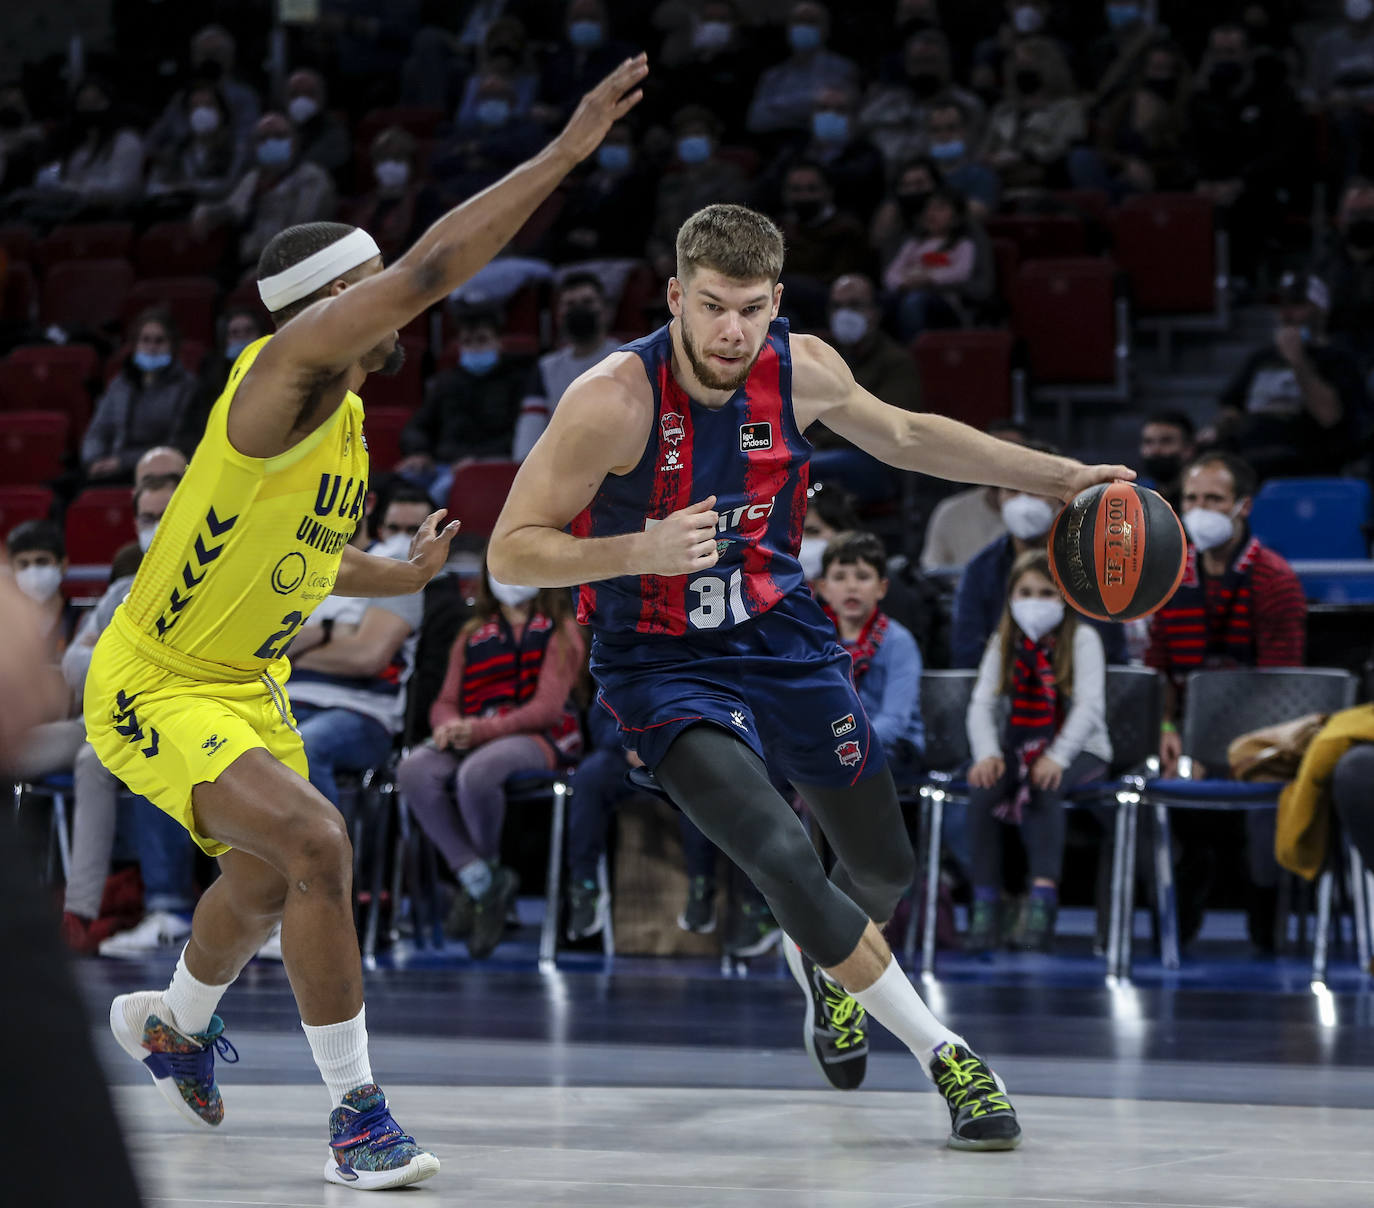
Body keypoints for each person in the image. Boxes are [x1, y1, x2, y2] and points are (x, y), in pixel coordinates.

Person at [81, 56, 647, 1189]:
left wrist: (402, 571)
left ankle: (176, 1024)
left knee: (262, 881)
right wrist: (565, 152)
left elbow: (300, 551)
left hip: (244, 683)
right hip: (154, 677)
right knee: (319, 842)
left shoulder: (341, 423)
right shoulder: (280, 374)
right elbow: (436, 266)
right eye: (372, 283)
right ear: (332, 304)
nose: (399, 295)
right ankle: (356, 1117)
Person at [489, 199, 1133, 1145]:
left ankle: (828, 969)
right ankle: (951, 1058)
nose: (732, 330)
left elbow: (908, 436)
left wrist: (1060, 477)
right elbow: (510, 550)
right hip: (660, 661)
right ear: (675, 296)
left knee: (882, 867)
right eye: (713, 306)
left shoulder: (804, 368)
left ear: (776, 300)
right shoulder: (612, 400)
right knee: (783, 855)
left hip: (781, 633)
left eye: (752, 309)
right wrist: (636, 550)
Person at [1145, 452, 1306, 948]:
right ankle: (1172, 927)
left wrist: (1226, 750)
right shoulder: (1169, 575)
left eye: (1214, 499)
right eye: (1191, 499)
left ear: (1243, 506)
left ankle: (1267, 929)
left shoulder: (1275, 579)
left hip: (1259, 743)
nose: (1200, 510)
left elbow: (1283, 689)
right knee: (1154, 791)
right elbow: (1158, 672)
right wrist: (1166, 731)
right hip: (1185, 739)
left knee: (1263, 816)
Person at [396, 553, 585, 959]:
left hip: (542, 737)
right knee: (414, 769)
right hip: (474, 732)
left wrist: (478, 730)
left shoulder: (560, 629)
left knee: (478, 773)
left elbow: (546, 709)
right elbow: (445, 701)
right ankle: (482, 881)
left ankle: (481, 889)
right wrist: (447, 725)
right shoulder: (472, 633)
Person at [964, 550, 1110, 954]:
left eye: (1046, 593)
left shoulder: (1082, 639)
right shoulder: (1003, 641)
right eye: (1025, 592)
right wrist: (986, 753)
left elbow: (1089, 708)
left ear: (1065, 598)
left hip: (1081, 748)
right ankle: (986, 903)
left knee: (1045, 785)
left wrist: (1057, 756)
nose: (1035, 602)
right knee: (983, 789)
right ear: (1010, 596)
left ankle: (1042, 903)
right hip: (1017, 745)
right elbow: (981, 704)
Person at [284, 486, 432, 811]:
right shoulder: (290, 565)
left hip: (360, 713)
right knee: (206, 743)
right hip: (284, 705)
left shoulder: (393, 565)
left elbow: (368, 657)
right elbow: (254, 650)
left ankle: (324, 846)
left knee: (303, 747)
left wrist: (291, 647)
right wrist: (333, 633)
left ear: (367, 504)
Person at [952, 450, 1130, 669]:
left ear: (1060, 495)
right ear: (998, 496)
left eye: (1034, 491)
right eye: (1012, 490)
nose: (1023, 502)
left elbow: (1111, 655)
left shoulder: (1094, 567)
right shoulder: (980, 570)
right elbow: (967, 656)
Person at [1208, 272, 1368, 480]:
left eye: (1297, 305)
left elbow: (1330, 417)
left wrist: (1298, 360)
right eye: (1281, 305)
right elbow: (1232, 407)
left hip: (1307, 465)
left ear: (1321, 310)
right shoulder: (1260, 359)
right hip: (1251, 461)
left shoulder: (1339, 358)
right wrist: (1221, 425)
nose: (1286, 314)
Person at [815, 531, 926, 782]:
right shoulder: (816, 641)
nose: (851, 586)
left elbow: (894, 721)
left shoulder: (899, 642)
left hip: (893, 746)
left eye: (863, 577)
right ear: (823, 588)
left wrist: (841, 744)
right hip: (829, 744)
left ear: (882, 588)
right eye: (839, 577)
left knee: (848, 768)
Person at [397, 307, 533, 502]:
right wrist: (418, 452)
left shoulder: (517, 383)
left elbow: (521, 434)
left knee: (445, 489)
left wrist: (477, 461)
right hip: (442, 464)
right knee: (400, 483)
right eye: (468, 342)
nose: (475, 347)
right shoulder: (445, 383)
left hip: (491, 464)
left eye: (482, 340)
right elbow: (417, 426)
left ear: (498, 343)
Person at [193, 112, 337, 271]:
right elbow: (232, 209)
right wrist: (206, 212)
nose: (270, 142)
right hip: (248, 260)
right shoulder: (253, 178)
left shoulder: (311, 177)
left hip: (292, 265)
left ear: (295, 141)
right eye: (263, 138)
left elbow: (303, 229)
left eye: (279, 136)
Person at [82, 310, 202, 483]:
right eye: (145, 340)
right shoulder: (120, 384)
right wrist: (94, 460)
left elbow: (178, 444)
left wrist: (122, 462)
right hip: (110, 469)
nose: (152, 347)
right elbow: (97, 431)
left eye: (159, 340)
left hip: (160, 472)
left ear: (173, 345)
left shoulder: (187, 387)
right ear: (135, 344)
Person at [513, 273, 621, 461]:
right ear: (559, 316)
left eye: (587, 302)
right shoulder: (545, 368)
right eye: (570, 304)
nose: (579, 309)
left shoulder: (631, 358)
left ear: (605, 311)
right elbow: (528, 439)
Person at [920, 421, 1027, 572]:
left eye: (1011, 451)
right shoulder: (950, 511)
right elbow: (932, 570)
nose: (1002, 460)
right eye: (994, 451)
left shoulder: (1043, 513)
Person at [745, 2, 859, 137]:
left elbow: (838, 116)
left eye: (811, 22)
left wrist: (775, 106)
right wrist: (811, 100)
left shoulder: (842, 68)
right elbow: (756, 121)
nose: (804, 27)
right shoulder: (773, 75)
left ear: (826, 29)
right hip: (779, 144)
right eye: (799, 21)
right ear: (788, 28)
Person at [1137, 408, 1196, 506]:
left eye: (1166, 441)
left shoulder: (1201, 497)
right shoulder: (1137, 494)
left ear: (1188, 448)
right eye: (1148, 442)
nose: (1155, 450)